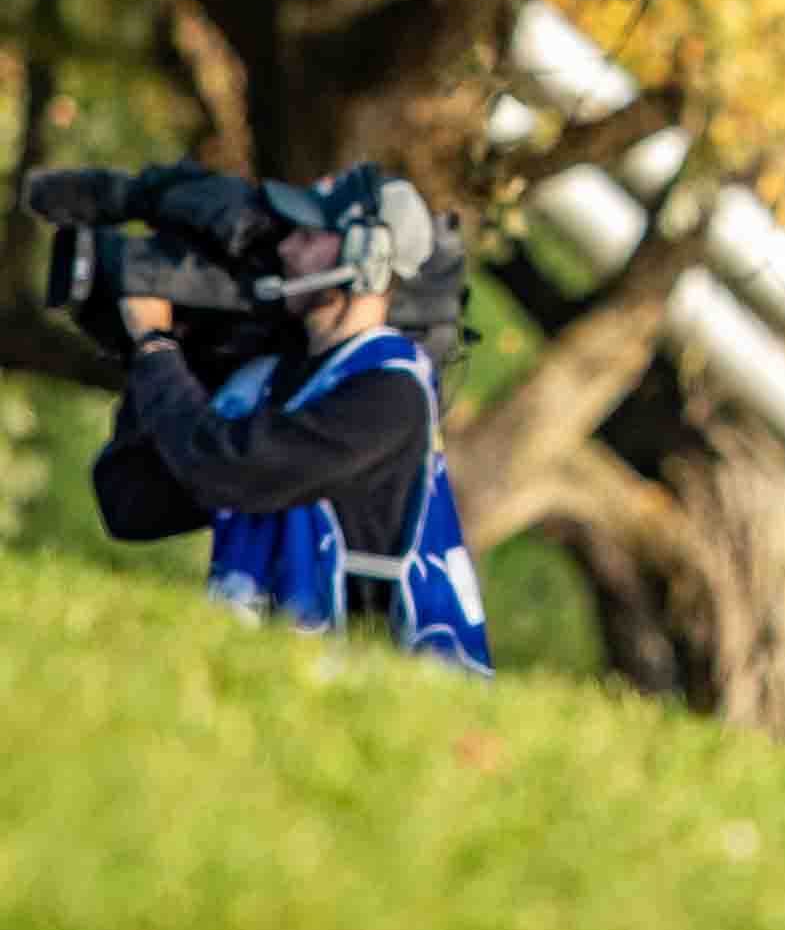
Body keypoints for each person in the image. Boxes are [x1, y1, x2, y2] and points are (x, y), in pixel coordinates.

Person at [92, 165, 492, 674]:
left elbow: (229, 469)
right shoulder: (273, 381)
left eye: (307, 236)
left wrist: (155, 346)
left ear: (366, 255)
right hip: (277, 680)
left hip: (382, 694)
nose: (285, 249)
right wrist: (176, 348)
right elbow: (130, 503)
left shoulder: (390, 395)